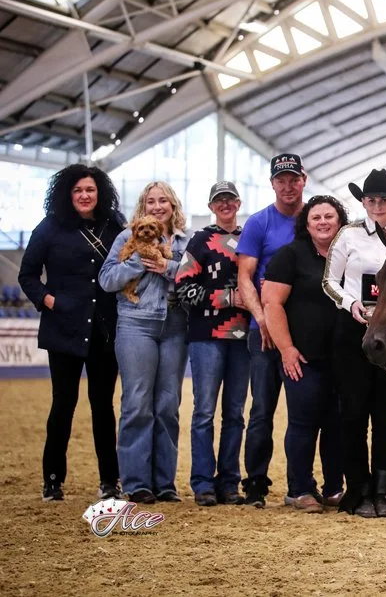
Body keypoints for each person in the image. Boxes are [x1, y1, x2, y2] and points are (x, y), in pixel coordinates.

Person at [18, 164, 125, 502]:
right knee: (62, 405)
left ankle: (110, 481)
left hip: (105, 330)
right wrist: (47, 300)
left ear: (100, 193)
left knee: (103, 407)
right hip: (63, 329)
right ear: (68, 193)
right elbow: (28, 275)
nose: (84, 195)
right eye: (78, 190)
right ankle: (52, 479)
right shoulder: (49, 227)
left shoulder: (115, 225)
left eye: (90, 190)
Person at [322, 169, 386, 518]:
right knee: (354, 413)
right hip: (353, 333)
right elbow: (330, 281)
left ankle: (385, 488)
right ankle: (358, 487)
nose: (377, 205)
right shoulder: (348, 235)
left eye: (383, 199)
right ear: (363, 202)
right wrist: (351, 304)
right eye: (371, 199)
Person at [99, 181, 190, 504]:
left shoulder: (185, 239)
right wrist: (138, 261)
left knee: (168, 405)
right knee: (137, 403)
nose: (157, 206)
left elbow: (195, 278)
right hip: (136, 325)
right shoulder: (126, 237)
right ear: (143, 207)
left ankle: (164, 483)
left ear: (173, 205)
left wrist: (168, 267)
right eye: (150, 201)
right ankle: (137, 482)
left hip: (175, 326)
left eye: (163, 200)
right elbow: (107, 279)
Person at [263, 195, 348, 513]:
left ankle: (334, 488)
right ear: (306, 224)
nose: (324, 222)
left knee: (337, 423)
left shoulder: (348, 255)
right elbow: (272, 304)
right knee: (303, 423)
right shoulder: (291, 256)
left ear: (340, 220)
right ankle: (299, 489)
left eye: (330, 216)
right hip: (302, 358)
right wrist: (286, 349)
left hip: (342, 357)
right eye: (317, 218)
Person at [237, 153, 307, 507]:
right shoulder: (258, 223)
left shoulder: (315, 220)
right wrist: (262, 318)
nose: (288, 185)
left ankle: (299, 486)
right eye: (281, 180)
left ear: (304, 180)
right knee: (261, 410)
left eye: (293, 179)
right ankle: (255, 485)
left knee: (303, 412)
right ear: (272, 184)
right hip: (262, 333)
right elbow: (244, 278)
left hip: (303, 334)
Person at [175, 181, 250, 507]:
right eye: (219, 200)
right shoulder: (201, 240)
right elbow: (183, 287)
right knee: (204, 412)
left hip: (243, 338)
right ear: (211, 206)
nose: (225, 204)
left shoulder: (250, 239)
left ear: (238, 202)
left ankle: (229, 483)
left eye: (230, 199)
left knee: (235, 413)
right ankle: (203, 483)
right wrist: (227, 297)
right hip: (207, 337)